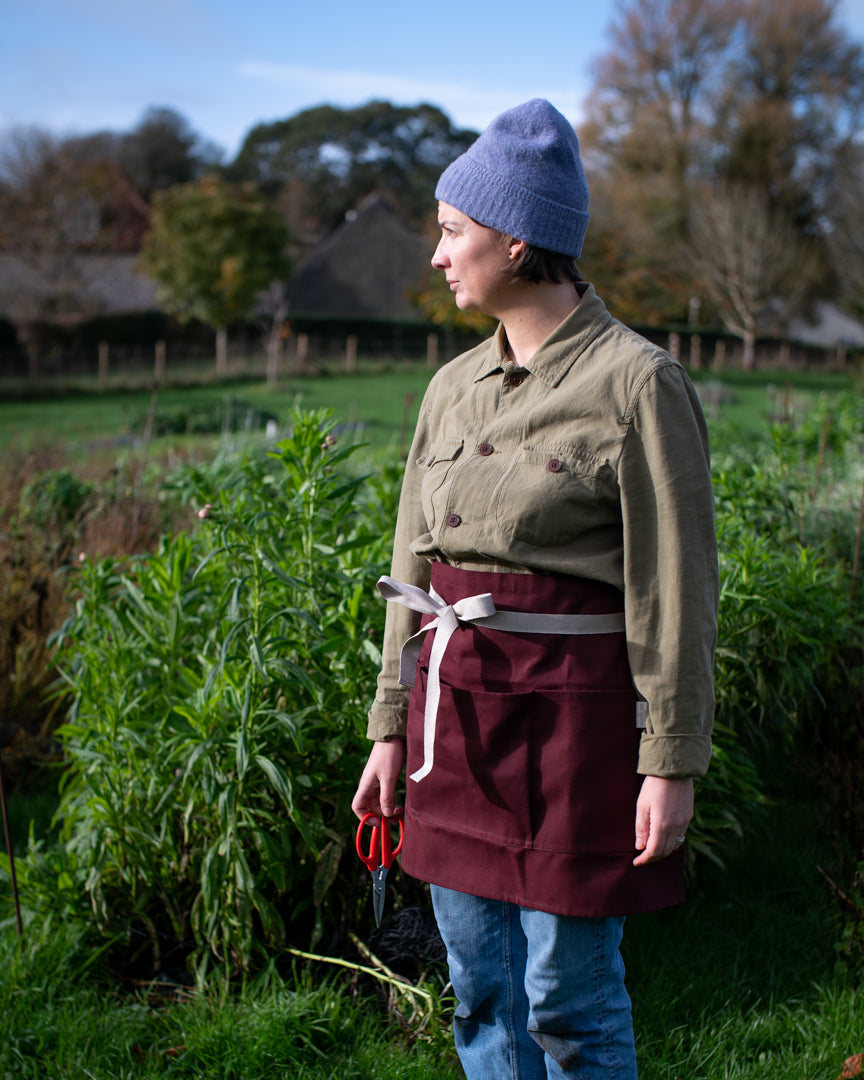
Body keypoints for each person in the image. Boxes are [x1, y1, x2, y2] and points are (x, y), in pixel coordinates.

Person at [351, 99, 718, 1080]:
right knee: (479, 988)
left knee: (569, 999)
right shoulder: (449, 390)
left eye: (452, 232)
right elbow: (413, 571)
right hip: (453, 721)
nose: (437, 256)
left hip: (574, 732)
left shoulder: (638, 384)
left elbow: (676, 588)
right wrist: (390, 727)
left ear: (516, 244)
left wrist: (670, 760)